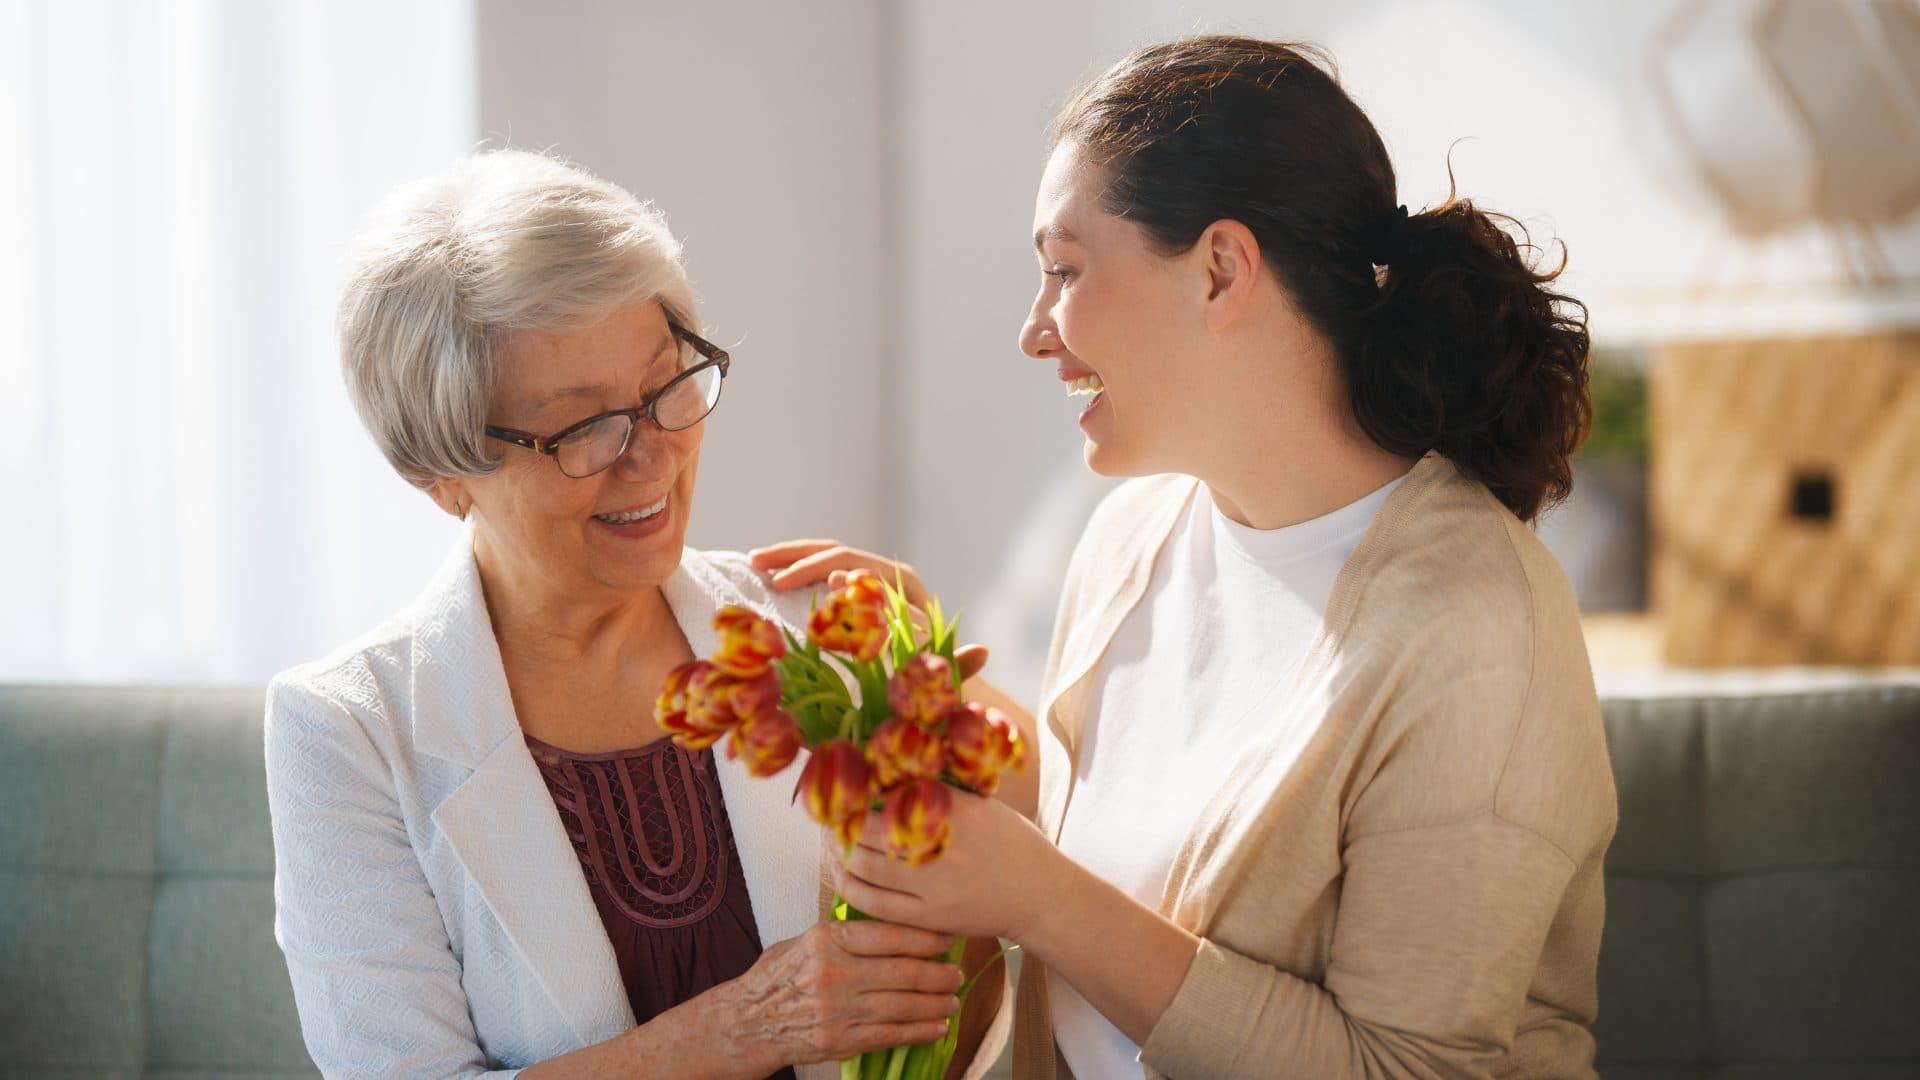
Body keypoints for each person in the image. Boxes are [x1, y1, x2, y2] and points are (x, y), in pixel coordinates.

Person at [758, 35, 1616, 1080]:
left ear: (1221, 269)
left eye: (1065, 271)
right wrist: (928, 697)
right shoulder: (1137, 535)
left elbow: (1410, 1068)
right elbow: (1144, 844)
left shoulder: (1477, 631)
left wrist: (1036, 899)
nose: (1035, 331)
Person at [265, 149, 1006, 1080]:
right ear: (441, 477)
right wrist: (745, 1030)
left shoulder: (824, 628)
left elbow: (971, 991)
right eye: (583, 428)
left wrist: (933, 714)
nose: (651, 457)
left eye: (666, 387)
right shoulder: (349, 730)